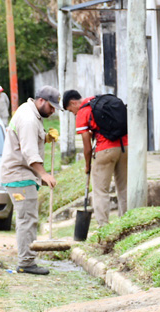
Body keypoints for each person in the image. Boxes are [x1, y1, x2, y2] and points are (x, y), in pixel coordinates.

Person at [0, 85, 60, 275]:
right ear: (41, 100)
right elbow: (29, 152)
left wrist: (45, 138)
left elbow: (29, 141)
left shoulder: (30, 114)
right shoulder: (28, 119)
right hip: (19, 176)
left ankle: (27, 259)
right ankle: (26, 262)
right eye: (51, 106)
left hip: (21, 175)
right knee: (27, 219)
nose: (53, 111)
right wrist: (44, 174)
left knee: (27, 218)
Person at [62, 90, 127, 228]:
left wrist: (87, 165)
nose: (73, 113)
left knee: (100, 190)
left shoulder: (83, 112)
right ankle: (125, 222)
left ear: (73, 102)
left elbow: (86, 147)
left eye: (70, 110)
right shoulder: (98, 100)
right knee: (123, 187)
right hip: (125, 147)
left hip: (105, 150)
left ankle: (103, 226)